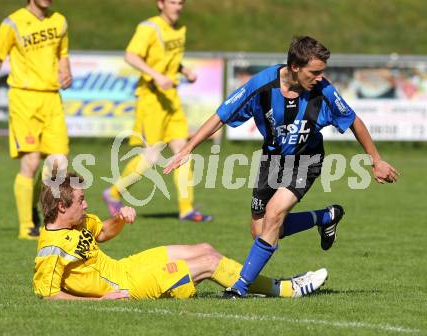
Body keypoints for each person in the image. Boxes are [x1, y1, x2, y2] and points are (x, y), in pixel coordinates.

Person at [164, 36, 400, 298]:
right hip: (272, 161)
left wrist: (376, 160)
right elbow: (221, 114)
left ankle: (239, 288)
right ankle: (324, 217)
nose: (321, 77)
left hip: (306, 160)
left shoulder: (323, 91)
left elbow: (353, 120)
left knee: (274, 215)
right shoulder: (262, 86)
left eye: (323, 71)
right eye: (315, 72)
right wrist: (187, 148)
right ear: (295, 67)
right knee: (260, 230)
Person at [34, 172, 328, 300]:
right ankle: (288, 289)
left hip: (127, 267)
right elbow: (49, 295)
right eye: (81, 200)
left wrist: (120, 219)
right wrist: (100, 301)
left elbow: (102, 233)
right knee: (210, 262)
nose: (86, 204)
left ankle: (271, 286)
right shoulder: (51, 247)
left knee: (204, 246)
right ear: (61, 206)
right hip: (128, 285)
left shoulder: (79, 221)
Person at [102, 0, 211, 222]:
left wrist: (183, 69)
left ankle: (186, 209)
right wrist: (156, 75)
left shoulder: (179, 29)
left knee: (183, 151)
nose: (178, 7)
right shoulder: (149, 27)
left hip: (171, 99)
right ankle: (113, 193)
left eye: (181, 3)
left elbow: (169, 59)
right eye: (172, 2)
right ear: (160, 4)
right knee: (151, 156)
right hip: (151, 99)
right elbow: (130, 56)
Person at [0, 0, 72, 239]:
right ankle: (26, 226)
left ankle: (35, 205)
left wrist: (67, 72)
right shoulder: (12, 23)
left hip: (52, 99)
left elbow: (62, 54)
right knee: (31, 162)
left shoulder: (60, 21)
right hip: (24, 99)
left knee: (58, 164)